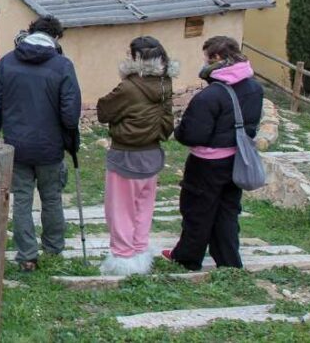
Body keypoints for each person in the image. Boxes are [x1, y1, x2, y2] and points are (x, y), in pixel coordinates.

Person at [0, 15, 82, 272]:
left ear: (30, 32)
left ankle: (27, 254)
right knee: (51, 197)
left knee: (23, 199)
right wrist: (71, 141)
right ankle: (53, 247)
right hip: (50, 145)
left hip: (18, 144)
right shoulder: (62, 66)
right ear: (56, 37)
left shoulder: (7, 62)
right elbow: (70, 114)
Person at [164, 36, 264, 272]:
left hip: (207, 164)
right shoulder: (255, 88)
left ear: (217, 58)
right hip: (236, 160)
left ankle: (188, 258)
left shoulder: (211, 96)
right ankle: (229, 263)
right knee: (227, 211)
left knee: (197, 210)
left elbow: (193, 135)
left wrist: (179, 130)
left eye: (206, 58)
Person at [96, 37, 177, 276]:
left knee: (120, 210)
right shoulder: (165, 84)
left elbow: (103, 111)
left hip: (126, 154)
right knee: (144, 207)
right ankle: (140, 251)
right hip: (152, 154)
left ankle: (122, 258)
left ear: (136, 58)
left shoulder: (129, 87)